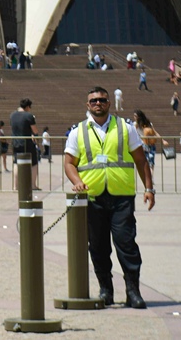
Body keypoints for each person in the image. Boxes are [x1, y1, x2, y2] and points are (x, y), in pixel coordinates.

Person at [64, 86, 155, 309]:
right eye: (93, 100)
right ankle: (106, 290)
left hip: (121, 196)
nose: (98, 104)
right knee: (98, 246)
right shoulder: (78, 131)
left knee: (126, 243)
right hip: (93, 197)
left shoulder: (125, 128)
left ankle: (133, 291)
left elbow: (141, 160)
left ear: (109, 103)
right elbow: (68, 163)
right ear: (87, 105)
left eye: (102, 100)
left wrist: (149, 189)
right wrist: (77, 182)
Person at [10, 98, 40, 191]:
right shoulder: (28, 116)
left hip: (15, 142)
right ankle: (33, 185)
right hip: (27, 143)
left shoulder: (12, 115)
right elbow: (35, 130)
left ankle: (16, 186)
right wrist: (34, 135)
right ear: (27, 107)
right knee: (34, 163)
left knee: (16, 163)